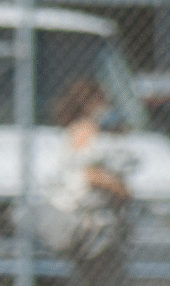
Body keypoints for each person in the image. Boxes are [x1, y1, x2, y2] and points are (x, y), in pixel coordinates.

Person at [44, 77, 137, 286]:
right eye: (102, 100)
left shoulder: (86, 130)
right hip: (86, 220)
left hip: (89, 219)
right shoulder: (85, 130)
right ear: (90, 102)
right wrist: (120, 189)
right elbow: (88, 173)